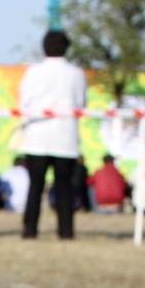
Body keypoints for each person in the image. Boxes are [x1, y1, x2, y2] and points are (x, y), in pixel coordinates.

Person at [17, 28, 86, 240]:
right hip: (65, 138)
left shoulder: (33, 72)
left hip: (37, 137)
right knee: (64, 187)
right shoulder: (76, 73)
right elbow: (81, 104)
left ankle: (30, 230)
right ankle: (66, 231)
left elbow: (24, 102)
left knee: (35, 186)